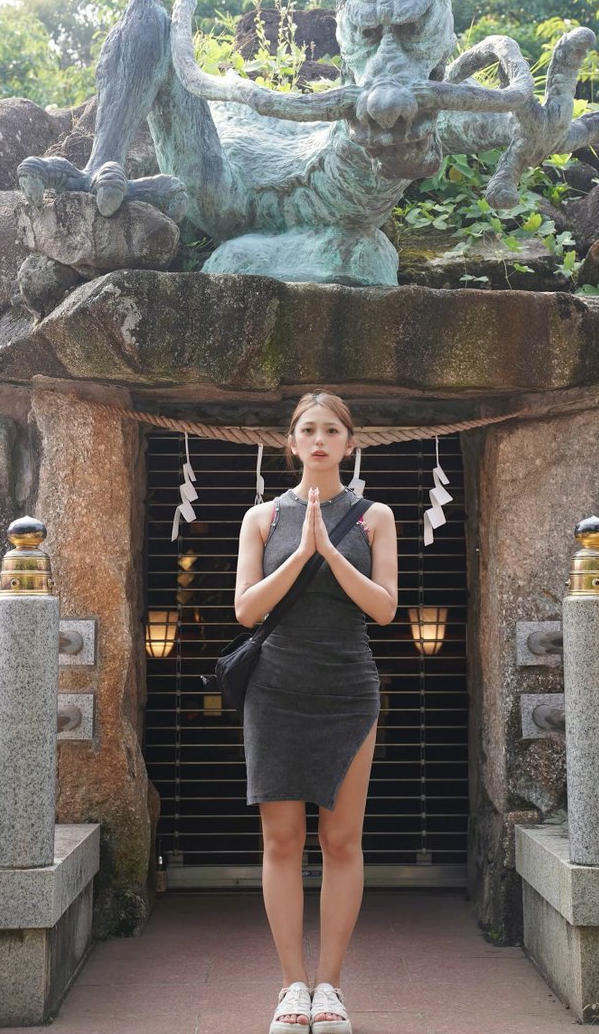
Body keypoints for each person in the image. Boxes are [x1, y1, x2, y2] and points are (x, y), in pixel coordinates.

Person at [234, 392, 398, 1034]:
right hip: (275, 688)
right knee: (281, 840)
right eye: (309, 430)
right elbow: (246, 610)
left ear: (350, 444)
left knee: (341, 840)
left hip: (348, 687)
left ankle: (329, 986)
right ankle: (290, 987)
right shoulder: (263, 517)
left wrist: (329, 550)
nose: (321, 439)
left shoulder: (374, 516)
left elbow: (385, 608)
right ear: (292, 442)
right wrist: (301, 553)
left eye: (332, 430)